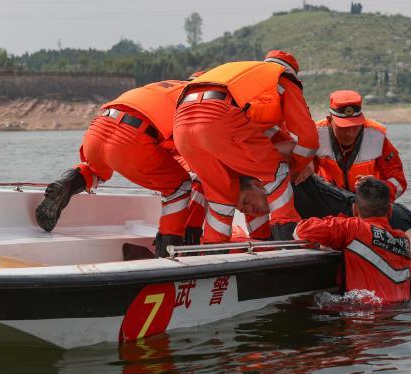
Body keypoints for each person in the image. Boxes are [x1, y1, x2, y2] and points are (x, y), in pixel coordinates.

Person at [35, 79, 194, 258]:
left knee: (96, 170)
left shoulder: (165, 85)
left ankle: (66, 185)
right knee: (179, 186)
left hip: (100, 126)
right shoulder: (195, 100)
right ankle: (167, 252)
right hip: (132, 137)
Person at [173, 50, 319, 244]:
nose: (248, 208)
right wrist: (295, 169)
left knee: (220, 200)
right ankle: (287, 250)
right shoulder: (281, 77)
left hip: (181, 125)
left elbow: (263, 138)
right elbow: (308, 140)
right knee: (276, 173)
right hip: (219, 118)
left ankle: (213, 261)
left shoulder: (246, 77)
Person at [293, 177, 411, 304]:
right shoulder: (403, 239)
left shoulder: (352, 227)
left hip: (364, 316)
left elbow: (300, 231)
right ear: (390, 211)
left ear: (355, 209)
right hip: (398, 314)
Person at [313, 90, 407, 200]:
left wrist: (378, 187)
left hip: (369, 205)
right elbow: (301, 176)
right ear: (330, 120)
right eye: (343, 127)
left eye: (355, 126)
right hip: (330, 201)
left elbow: (399, 181)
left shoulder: (377, 137)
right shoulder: (314, 136)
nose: (350, 133)